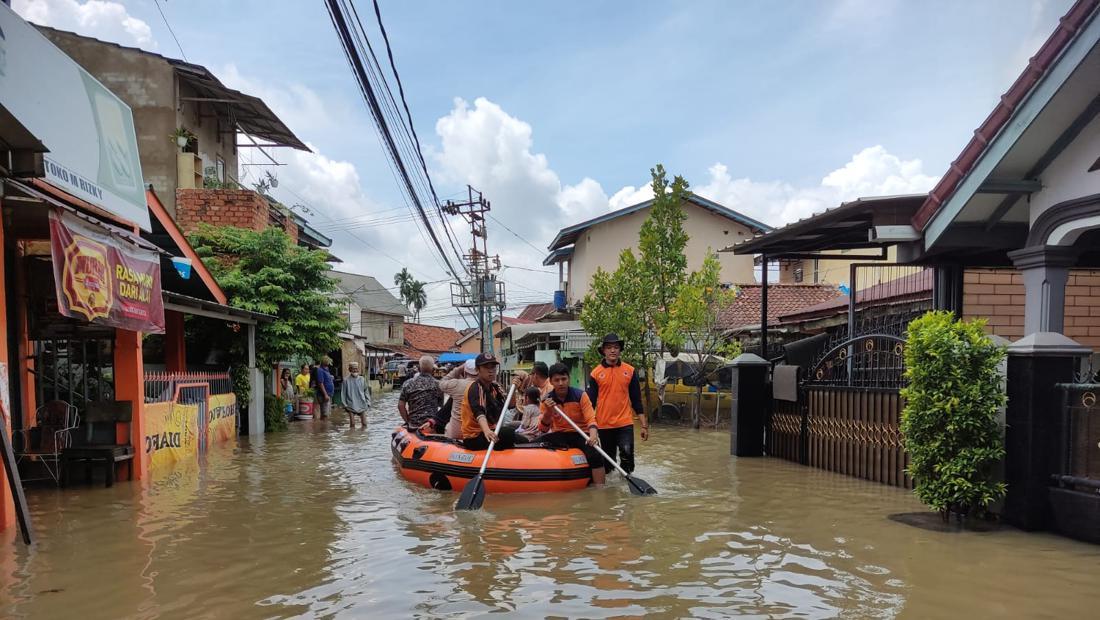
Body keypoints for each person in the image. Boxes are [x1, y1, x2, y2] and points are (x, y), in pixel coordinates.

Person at [587, 333, 647, 476]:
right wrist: (589, 428)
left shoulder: (630, 371)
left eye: (616, 347)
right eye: (609, 347)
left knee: (627, 454)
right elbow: (590, 404)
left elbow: (636, 400)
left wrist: (644, 425)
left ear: (620, 350)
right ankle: (611, 490)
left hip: (625, 423)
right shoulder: (595, 373)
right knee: (608, 463)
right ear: (604, 351)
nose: (613, 350)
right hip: (604, 424)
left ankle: (626, 482)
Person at [538, 363, 605, 485]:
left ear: (568, 379)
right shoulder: (546, 400)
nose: (561, 383)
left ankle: (600, 489)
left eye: (564, 379)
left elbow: (591, 419)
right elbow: (543, 428)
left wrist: (593, 436)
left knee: (595, 454)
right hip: (560, 434)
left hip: (581, 433)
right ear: (551, 382)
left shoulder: (580, 395)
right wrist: (548, 411)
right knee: (537, 442)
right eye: (557, 380)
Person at [459, 353, 516, 451]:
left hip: (492, 431)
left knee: (522, 438)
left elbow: (510, 405)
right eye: (486, 367)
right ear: (477, 370)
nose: (491, 371)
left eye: (493, 367)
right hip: (475, 436)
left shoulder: (495, 387)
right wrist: (487, 431)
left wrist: (514, 389)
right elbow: (479, 412)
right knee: (508, 433)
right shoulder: (475, 388)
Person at [399, 356, 443, 429]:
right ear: (433, 369)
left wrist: (407, 421)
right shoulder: (438, 384)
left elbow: (400, 406)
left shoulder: (408, 383)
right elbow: (441, 406)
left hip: (413, 424)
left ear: (419, 368)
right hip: (431, 425)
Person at [437, 359, 477, 438]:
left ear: (465, 372)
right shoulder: (486, 385)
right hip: (476, 434)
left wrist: (458, 369)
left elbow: (442, 382)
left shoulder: (456, 384)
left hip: (456, 433)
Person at [341, 362, 372, 429]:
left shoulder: (362, 379)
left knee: (364, 424)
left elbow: (366, 391)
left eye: (356, 368)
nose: (355, 370)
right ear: (350, 369)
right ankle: (352, 437)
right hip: (351, 404)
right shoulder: (346, 380)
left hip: (362, 403)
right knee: (352, 424)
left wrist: (368, 402)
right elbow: (343, 394)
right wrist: (345, 405)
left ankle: (362, 437)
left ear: (358, 369)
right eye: (353, 369)